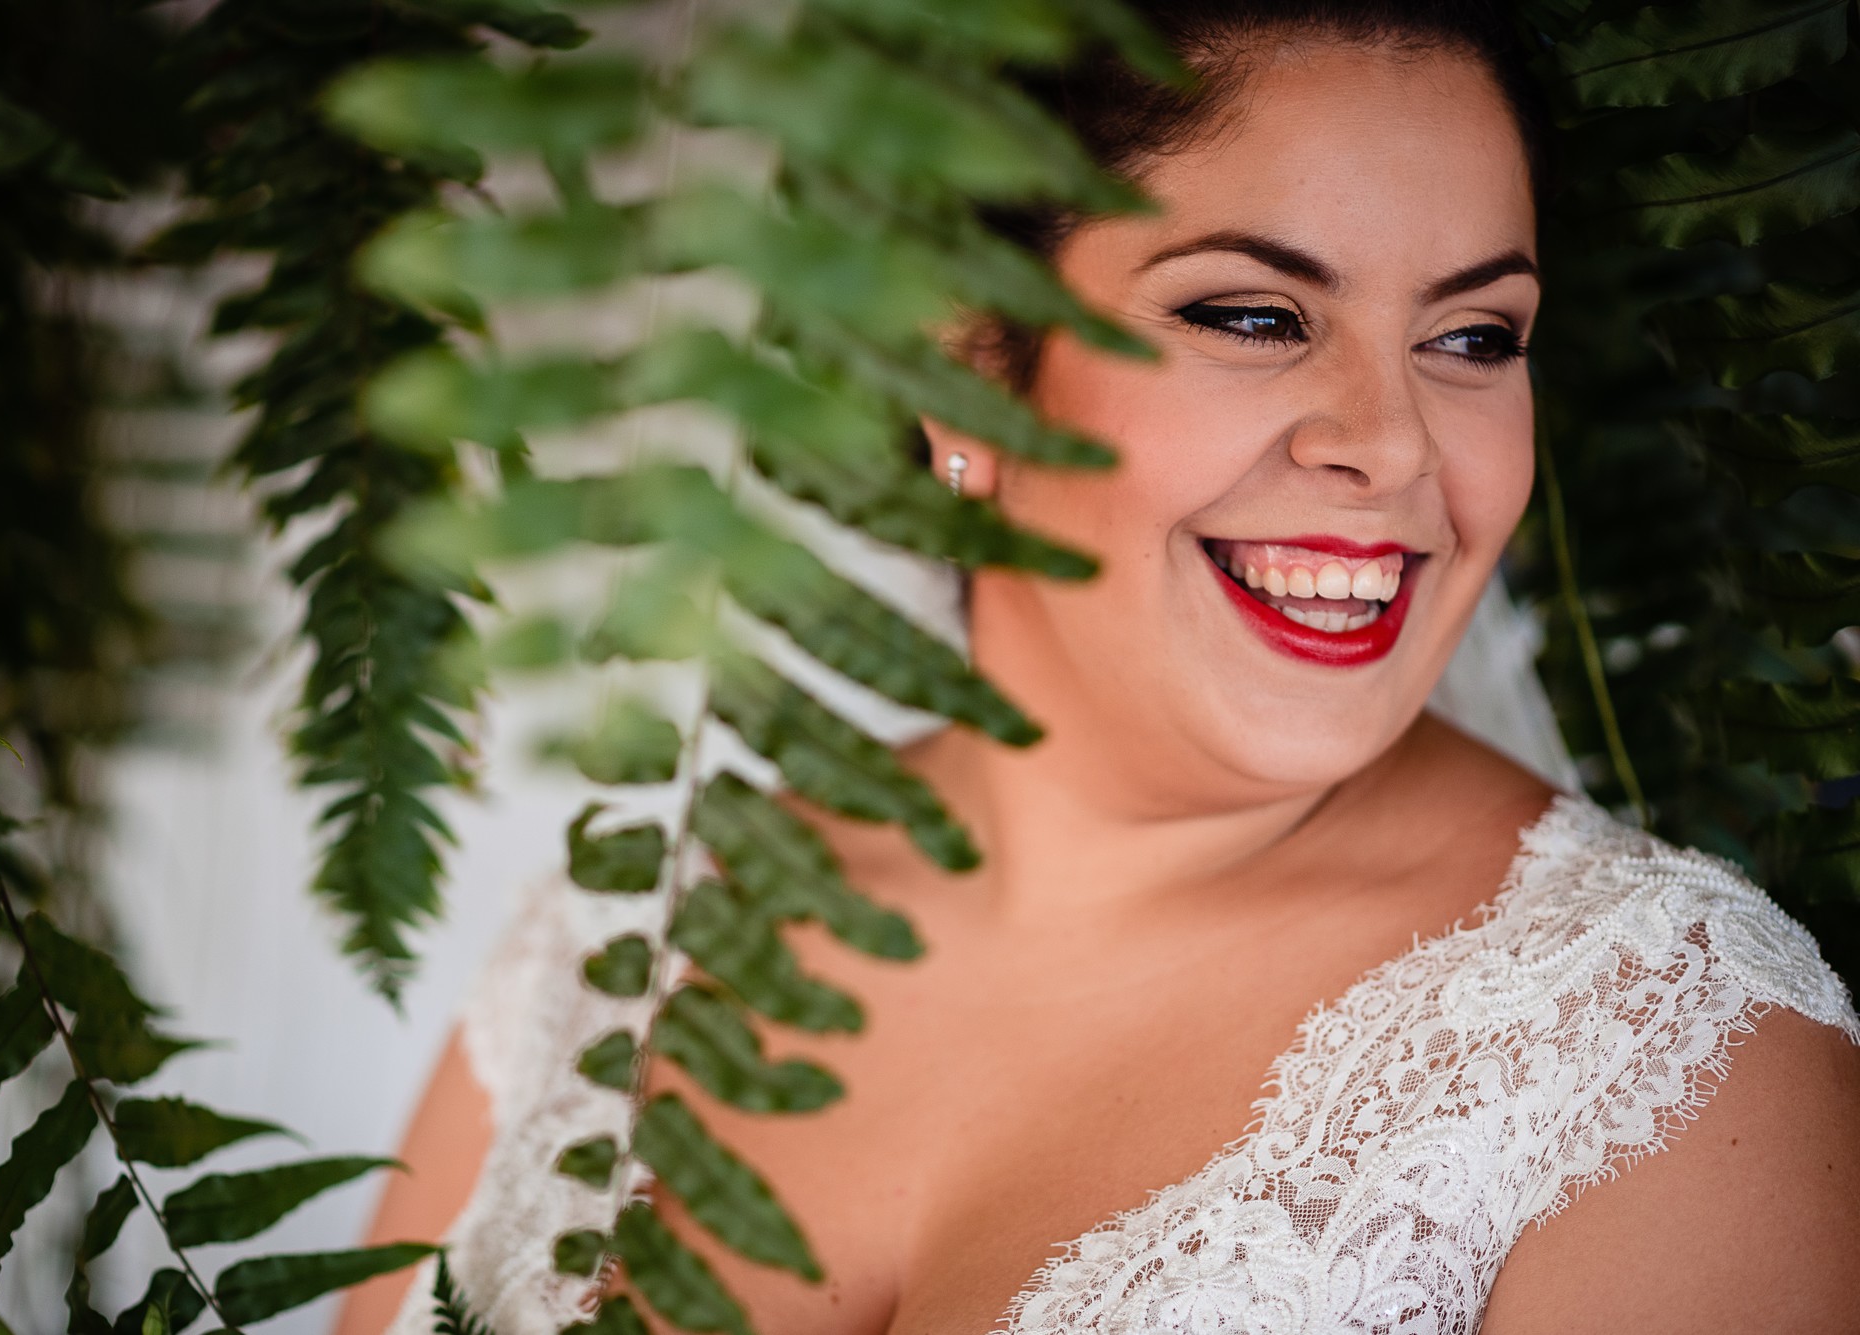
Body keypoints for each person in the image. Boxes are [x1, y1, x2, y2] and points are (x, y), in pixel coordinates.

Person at [339, 4, 1860, 1332]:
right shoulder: (620, 940)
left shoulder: (1671, 1065)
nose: (1393, 447)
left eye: (1473, 338)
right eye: (1255, 315)